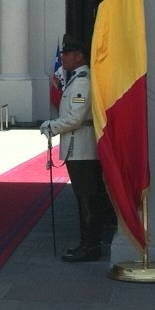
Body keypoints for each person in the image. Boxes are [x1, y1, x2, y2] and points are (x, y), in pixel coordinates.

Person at [40, 34, 110, 262]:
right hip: (78, 147)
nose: (63, 58)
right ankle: (89, 243)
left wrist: (52, 126)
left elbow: (75, 118)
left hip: (82, 149)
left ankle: (90, 247)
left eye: (67, 54)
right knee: (85, 198)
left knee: (86, 199)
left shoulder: (81, 81)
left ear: (78, 56)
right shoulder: (76, 79)